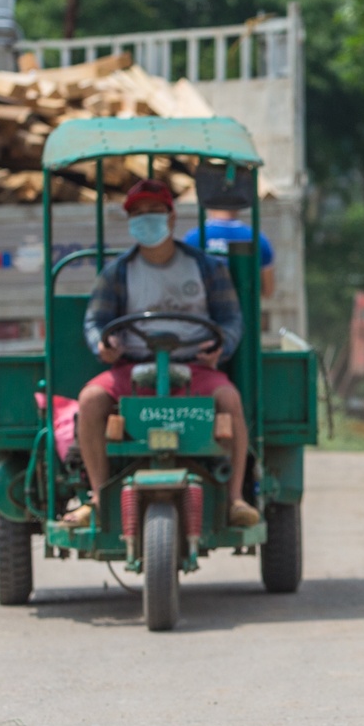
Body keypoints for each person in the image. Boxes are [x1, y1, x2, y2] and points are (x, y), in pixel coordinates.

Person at [64, 179, 260, 529]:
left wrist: (221, 346)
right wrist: (103, 345)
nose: (146, 220)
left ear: (171, 217)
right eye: (137, 214)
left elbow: (231, 319)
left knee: (230, 399)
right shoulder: (117, 273)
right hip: (133, 369)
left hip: (194, 369)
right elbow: (96, 321)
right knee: (90, 399)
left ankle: (235, 499)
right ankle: (96, 497)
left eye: (153, 212)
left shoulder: (207, 268)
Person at [182, 171, 274, 299]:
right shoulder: (258, 240)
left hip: (204, 315)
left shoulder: (193, 239)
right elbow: (268, 290)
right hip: (244, 316)